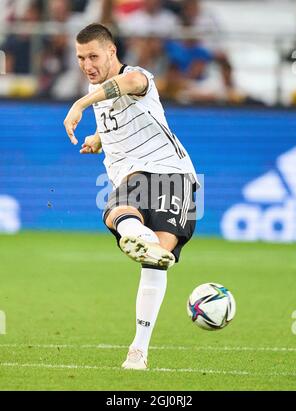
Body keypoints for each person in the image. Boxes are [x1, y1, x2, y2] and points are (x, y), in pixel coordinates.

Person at [63, 23, 199, 370]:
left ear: (111, 51)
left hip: (172, 174)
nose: (86, 64)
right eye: (80, 57)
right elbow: (117, 119)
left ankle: (140, 347)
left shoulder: (137, 76)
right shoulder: (100, 93)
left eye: (93, 55)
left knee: (155, 255)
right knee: (123, 217)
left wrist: (80, 102)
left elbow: (128, 86)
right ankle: (137, 354)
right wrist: (98, 138)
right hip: (133, 175)